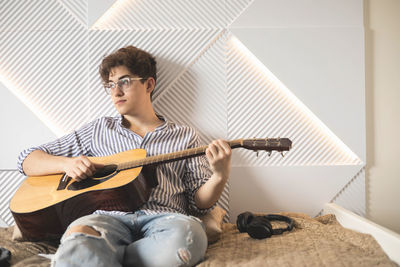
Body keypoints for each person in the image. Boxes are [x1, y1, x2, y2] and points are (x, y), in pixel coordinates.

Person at [17, 46, 232, 267]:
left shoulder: (185, 136)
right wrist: (68, 164)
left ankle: (106, 257)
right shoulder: (98, 130)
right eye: (110, 85)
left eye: (124, 82)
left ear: (149, 84)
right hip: (105, 220)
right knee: (78, 238)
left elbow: (200, 205)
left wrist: (219, 175)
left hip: (165, 220)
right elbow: (26, 159)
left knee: (190, 237)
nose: (116, 92)